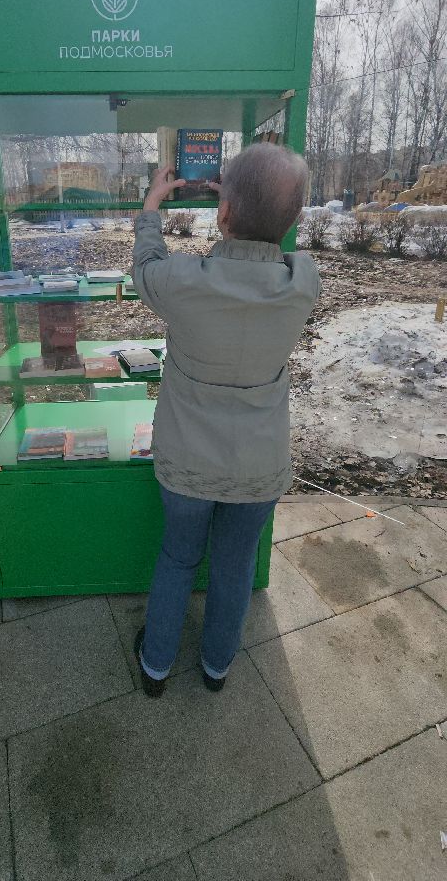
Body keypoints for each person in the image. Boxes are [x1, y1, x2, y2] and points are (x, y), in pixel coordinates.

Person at [131, 142, 320, 697]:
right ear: (294, 220)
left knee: (178, 555)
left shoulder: (184, 280)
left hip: (187, 461)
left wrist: (153, 206)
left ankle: (157, 664)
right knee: (234, 567)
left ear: (223, 213)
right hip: (260, 464)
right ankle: (216, 667)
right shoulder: (302, 282)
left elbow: (145, 267)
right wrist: (254, 207)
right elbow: (283, 239)